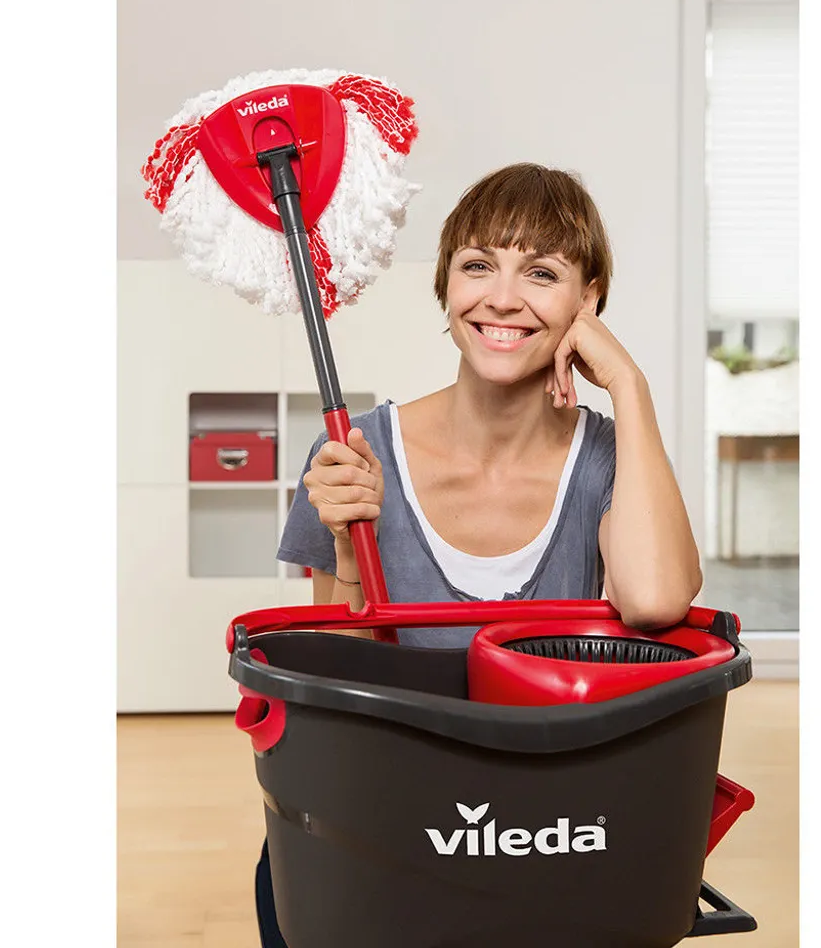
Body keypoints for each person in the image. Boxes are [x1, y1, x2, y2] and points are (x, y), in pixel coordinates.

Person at [254, 162, 702, 945]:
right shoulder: (355, 453)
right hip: (386, 826)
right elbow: (328, 696)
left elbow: (658, 598)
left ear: (588, 300)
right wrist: (349, 549)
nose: (502, 297)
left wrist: (628, 387)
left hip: (546, 832)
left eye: (542, 273)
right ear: (446, 287)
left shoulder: (606, 459)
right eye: (477, 265)